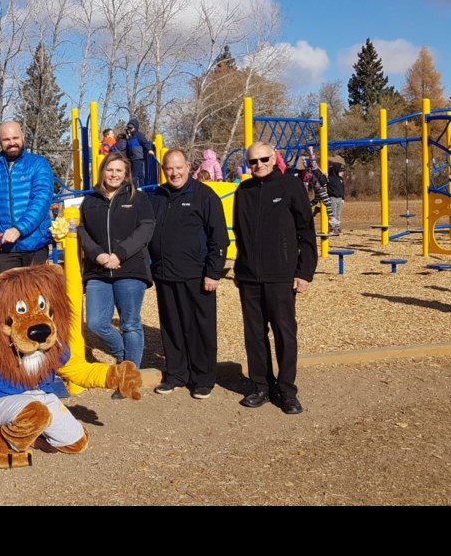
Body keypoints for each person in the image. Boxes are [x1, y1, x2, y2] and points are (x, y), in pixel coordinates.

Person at [232, 141, 317, 415]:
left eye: (263, 159)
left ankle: (287, 390)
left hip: (281, 276)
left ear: (274, 158)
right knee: (254, 335)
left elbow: (306, 232)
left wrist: (304, 272)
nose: (258, 165)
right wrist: (239, 266)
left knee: (284, 334)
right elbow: (241, 233)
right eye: (253, 162)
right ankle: (261, 386)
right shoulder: (243, 191)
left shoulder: (291, 187)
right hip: (249, 277)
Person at [148, 148, 229, 399]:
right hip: (165, 275)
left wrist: (213, 273)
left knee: (200, 328)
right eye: (169, 168)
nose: (174, 173)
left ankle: (203, 378)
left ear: (188, 166)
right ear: (163, 170)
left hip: (197, 275)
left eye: (178, 167)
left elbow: (219, 238)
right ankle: (176, 374)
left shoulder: (204, 196)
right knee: (172, 327)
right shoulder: (157, 197)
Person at [78, 152, 155, 371]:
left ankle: (129, 372)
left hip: (130, 268)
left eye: (119, 170)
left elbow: (146, 228)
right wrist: (98, 254)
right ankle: (124, 356)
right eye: (110, 170)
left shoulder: (138, 198)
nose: (113, 175)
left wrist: (119, 253)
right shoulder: (90, 201)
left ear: (126, 174)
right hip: (98, 270)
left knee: (130, 323)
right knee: (96, 323)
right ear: (102, 171)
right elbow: (82, 231)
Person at [0, 120, 54, 273]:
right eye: (6, 140)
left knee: (36, 295)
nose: (12, 143)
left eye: (15, 138)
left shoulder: (39, 165)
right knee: (8, 295)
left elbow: (41, 201)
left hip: (35, 244)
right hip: (6, 248)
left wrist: (19, 229)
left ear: (23, 137)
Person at [124, 118, 154, 187]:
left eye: (131, 128)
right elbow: (129, 148)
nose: (130, 130)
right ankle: (141, 187)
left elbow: (145, 143)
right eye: (128, 128)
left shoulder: (138, 135)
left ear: (135, 128)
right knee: (140, 174)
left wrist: (149, 149)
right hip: (133, 157)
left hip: (138, 157)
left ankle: (133, 189)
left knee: (134, 174)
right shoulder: (130, 137)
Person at [328, 162, 346, 234]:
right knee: (333, 214)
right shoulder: (330, 178)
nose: (342, 172)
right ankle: (332, 228)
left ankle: (337, 228)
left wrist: (343, 198)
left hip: (339, 198)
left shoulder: (340, 179)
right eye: (341, 171)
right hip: (332, 198)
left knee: (338, 214)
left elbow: (342, 189)